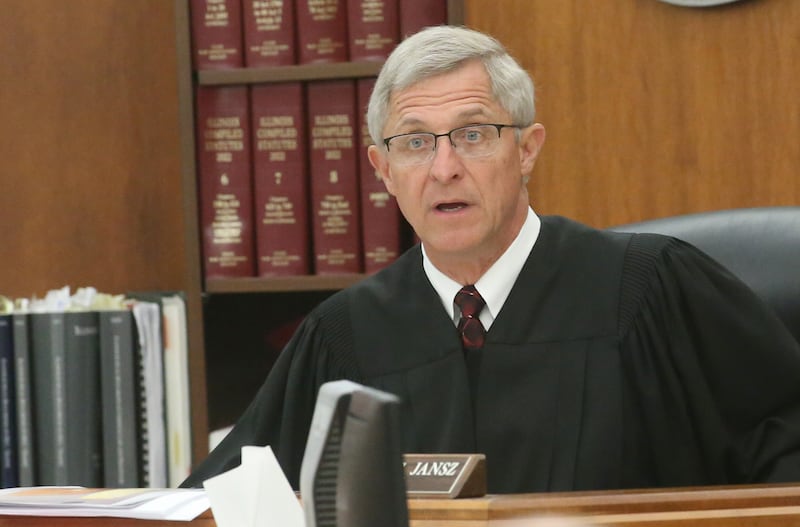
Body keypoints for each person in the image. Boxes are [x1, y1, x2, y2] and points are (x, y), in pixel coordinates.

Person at [182, 25, 800, 493]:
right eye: (414, 142)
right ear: (383, 170)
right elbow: (226, 495)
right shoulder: (343, 337)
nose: (444, 168)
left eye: (473, 135)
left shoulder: (646, 290)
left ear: (527, 150)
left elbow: (783, 443)